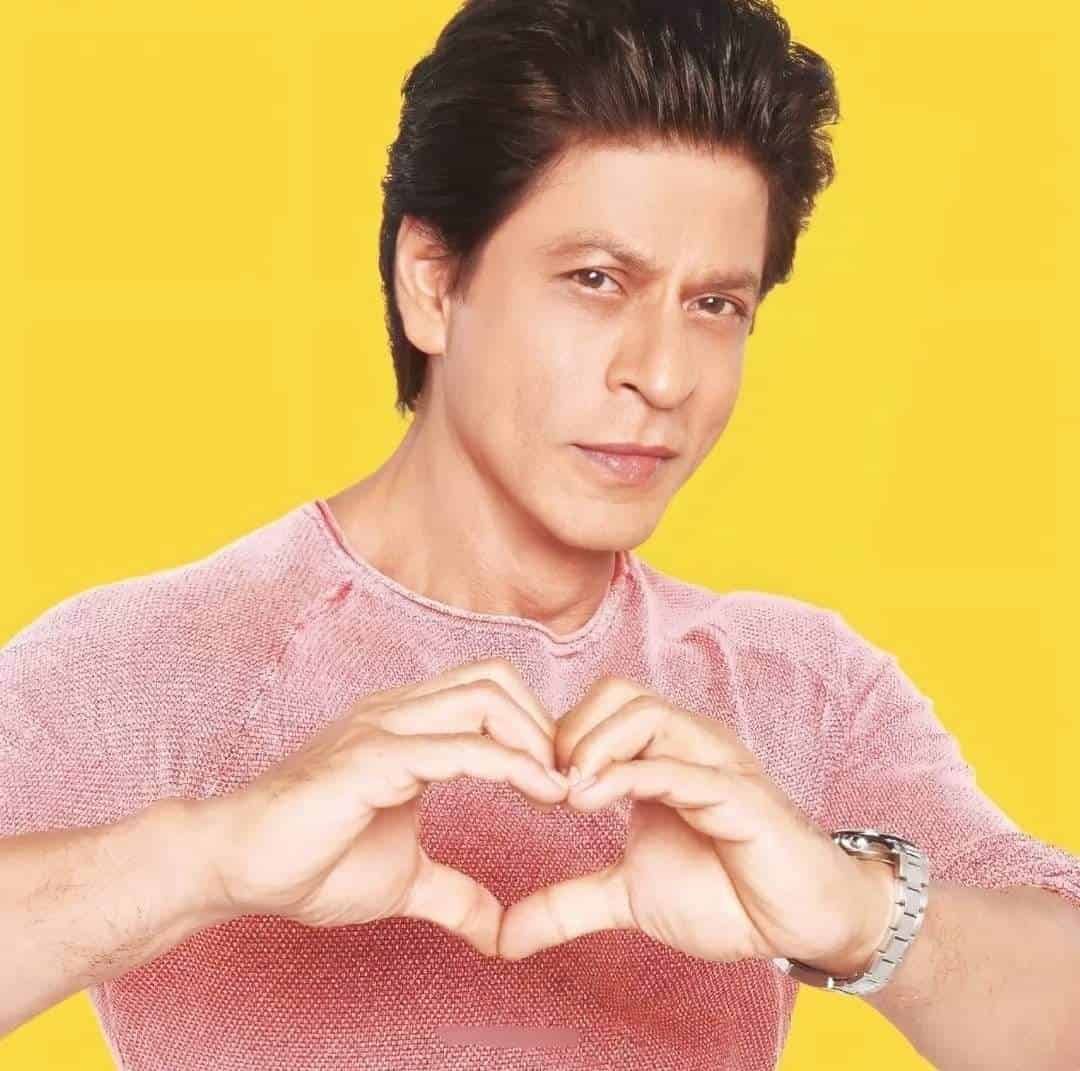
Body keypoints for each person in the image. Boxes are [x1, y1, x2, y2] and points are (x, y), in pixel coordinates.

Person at [3, 0, 1079, 1068]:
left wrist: (852, 911)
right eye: (597, 281)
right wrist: (207, 859)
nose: (663, 375)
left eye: (715, 305)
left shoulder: (803, 689)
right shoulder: (148, 661)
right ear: (433, 285)